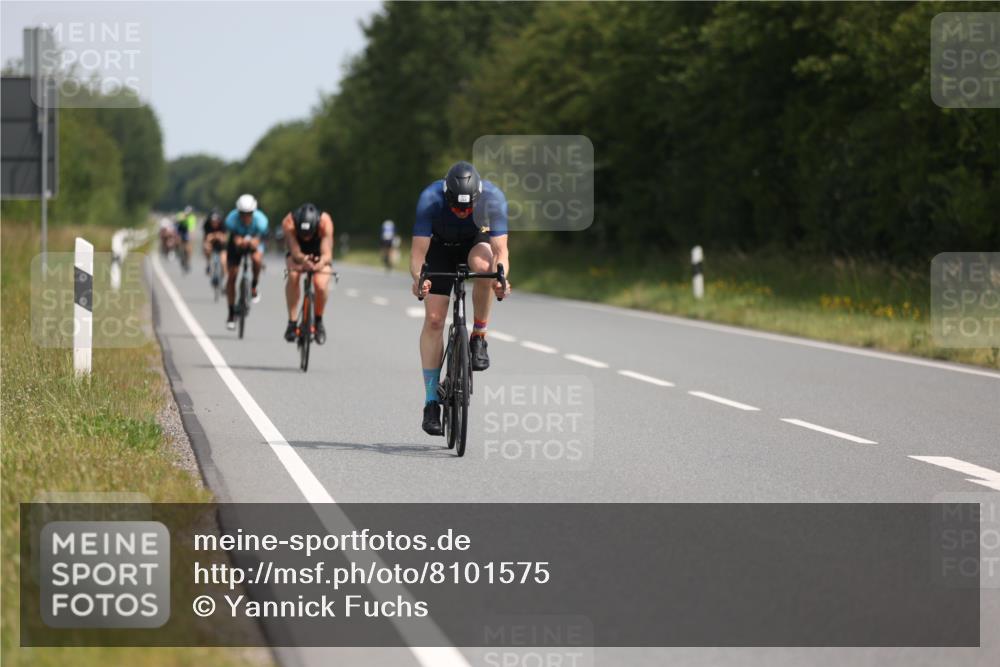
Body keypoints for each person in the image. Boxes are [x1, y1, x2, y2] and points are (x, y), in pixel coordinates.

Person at [411, 161, 511, 435]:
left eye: (468, 208)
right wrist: (419, 279)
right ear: (446, 196)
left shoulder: (493, 197)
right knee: (433, 320)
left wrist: (502, 279)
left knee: (487, 268)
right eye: (456, 207)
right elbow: (418, 253)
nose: (462, 212)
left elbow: (501, 250)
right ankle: (431, 401)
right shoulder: (430, 198)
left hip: (474, 243)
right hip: (439, 248)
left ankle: (479, 336)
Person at [282, 203, 335, 344]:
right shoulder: (289, 222)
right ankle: (292, 323)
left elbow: (327, 254)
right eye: (302, 235)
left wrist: (321, 263)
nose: (306, 238)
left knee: (320, 285)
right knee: (293, 276)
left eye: (309, 235)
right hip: (298, 254)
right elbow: (294, 251)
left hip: (319, 253)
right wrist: (303, 260)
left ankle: (318, 321)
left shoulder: (325, 222)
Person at [224, 194, 269, 330]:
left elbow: (259, 240)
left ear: (253, 212)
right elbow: (235, 239)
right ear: (238, 212)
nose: (245, 217)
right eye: (242, 214)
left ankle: (254, 286)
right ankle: (231, 314)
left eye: (248, 214)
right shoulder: (231, 220)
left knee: (256, 260)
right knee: (232, 276)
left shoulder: (261, 221)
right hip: (236, 242)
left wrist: (252, 243)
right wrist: (240, 242)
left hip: (255, 240)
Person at [202, 208, 226, 274]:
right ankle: (208, 263)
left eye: (216, 221)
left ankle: (222, 275)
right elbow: (206, 238)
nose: (214, 223)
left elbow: (224, 239)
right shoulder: (207, 225)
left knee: (223, 261)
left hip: (221, 245)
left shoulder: (223, 224)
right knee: (207, 247)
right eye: (212, 221)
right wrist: (216, 236)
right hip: (211, 242)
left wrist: (214, 236)